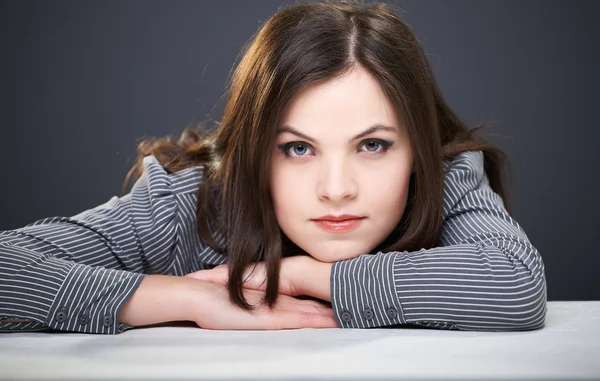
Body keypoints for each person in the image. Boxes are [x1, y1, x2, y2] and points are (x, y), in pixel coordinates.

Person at [0, 0, 547, 334]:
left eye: (373, 146)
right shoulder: (190, 204)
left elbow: (517, 285)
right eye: (298, 148)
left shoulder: (446, 181)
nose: (337, 190)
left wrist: (308, 277)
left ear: (418, 150)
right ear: (255, 150)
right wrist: (192, 298)